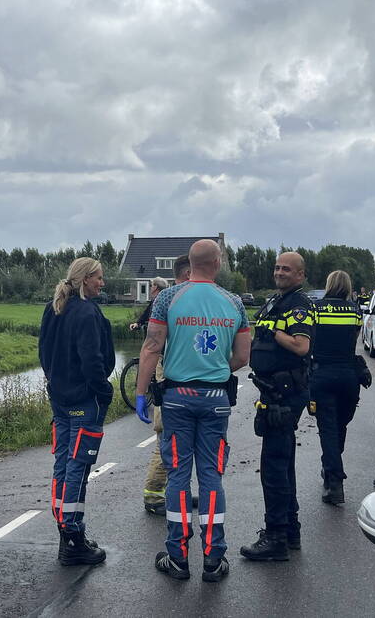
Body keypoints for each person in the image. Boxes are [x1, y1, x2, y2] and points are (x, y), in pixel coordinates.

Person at [139, 240, 252, 583]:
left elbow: (152, 346)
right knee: (212, 476)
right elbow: (243, 358)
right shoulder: (233, 303)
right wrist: (216, 369)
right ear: (217, 263)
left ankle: (177, 557)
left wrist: (141, 393)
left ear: (189, 263)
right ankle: (214, 559)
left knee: (177, 476)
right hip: (215, 398)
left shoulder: (168, 298)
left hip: (176, 398)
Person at [38, 257, 115, 566]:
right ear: (85, 279)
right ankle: (72, 537)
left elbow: (43, 352)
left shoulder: (53, 307)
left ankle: (66, 530)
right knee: (79, 467)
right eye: (99, 278)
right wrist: (103, 390)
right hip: (84, 400)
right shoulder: (86, 312)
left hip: (59, 398)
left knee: (63, 462)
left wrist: (54, 381)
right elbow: (92, 360)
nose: (102, 283)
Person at [241, 252, 314, 562]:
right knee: (282, 462)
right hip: (273, 390)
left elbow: (301, 346)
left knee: (273, 466)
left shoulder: (299, 305)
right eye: (277, 267)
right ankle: (290, 530)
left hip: (285, 392)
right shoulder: (275, 301)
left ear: (300, 275)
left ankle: (276, 537)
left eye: (287, 269)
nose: (280, 272)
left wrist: (275, 333)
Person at [310, 270, 364, 505]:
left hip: (322, 373)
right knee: (340, 426)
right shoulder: (355, 311)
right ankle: (331, 466)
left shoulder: (316, 309)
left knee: (328, 430)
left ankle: (334, 482)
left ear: (328, 284)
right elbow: (355, 340)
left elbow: (309, 338)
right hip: (348, 376)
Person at [142, 256, 190, 515]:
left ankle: (176, 492)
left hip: (172, 376)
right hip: (167, 376)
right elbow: (153, 346)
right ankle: (154, 497)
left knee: (177, 443)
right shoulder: (171, 298)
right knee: (165, 440)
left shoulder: (178, 298)